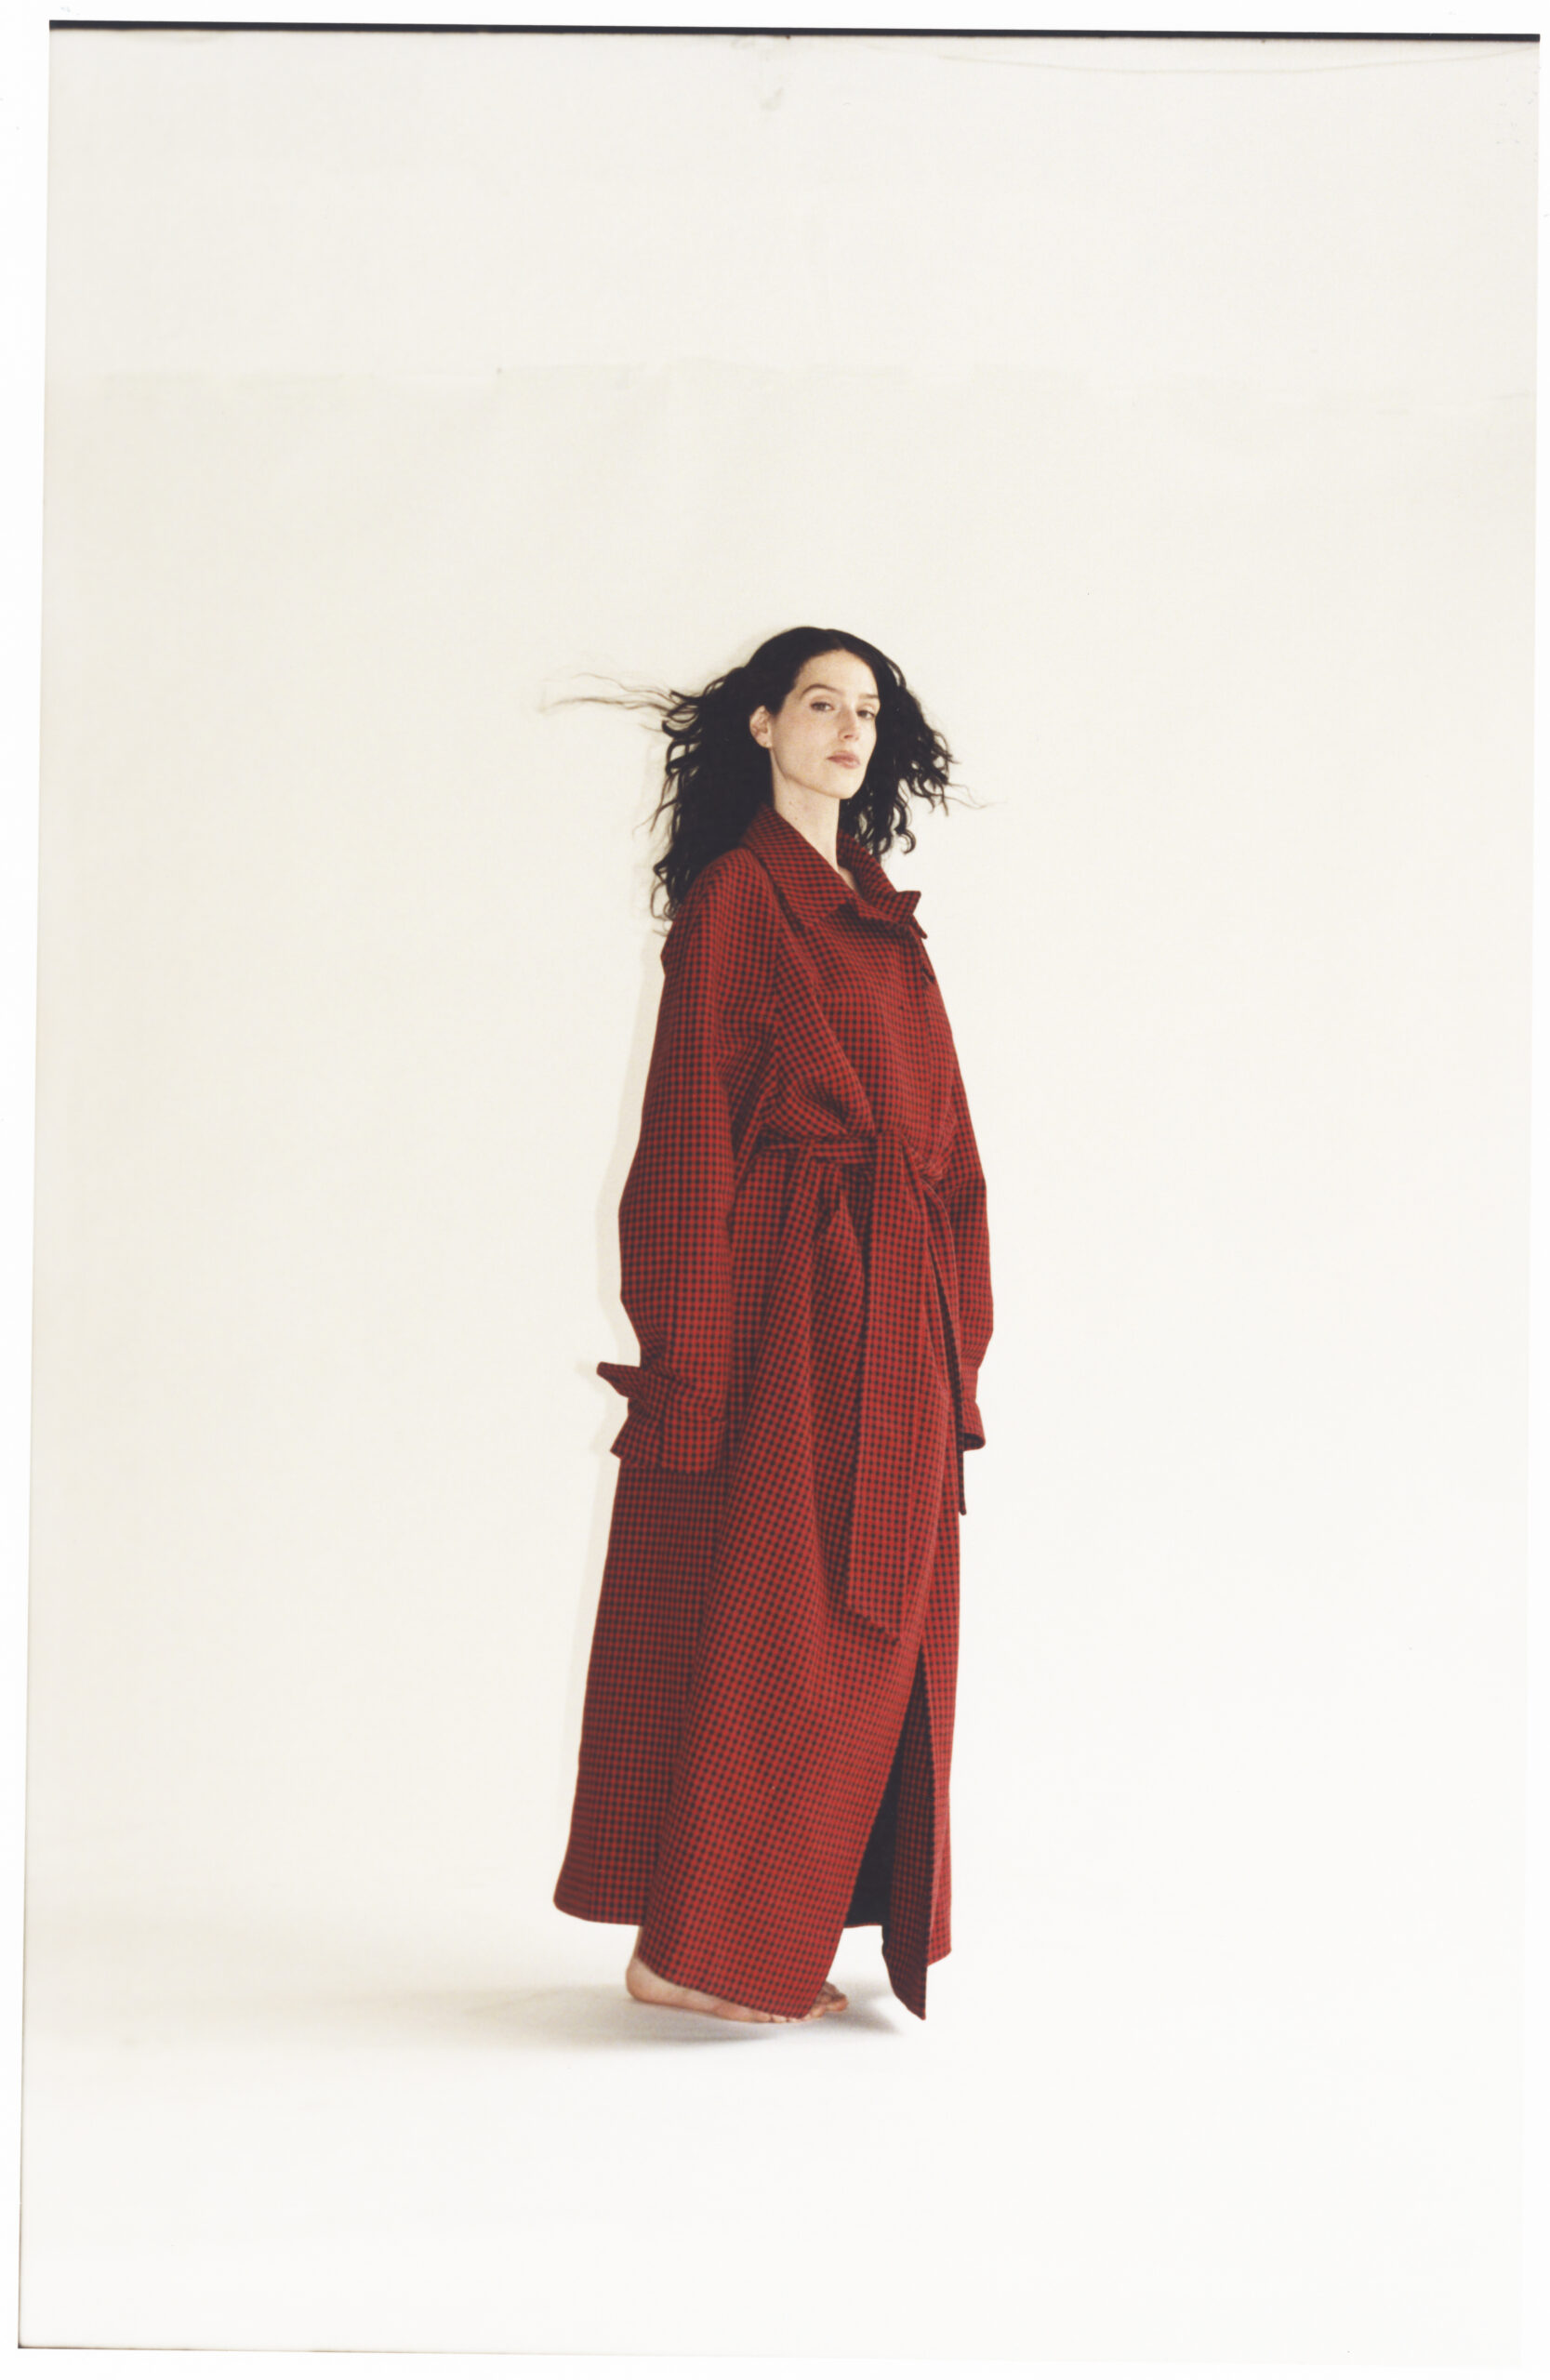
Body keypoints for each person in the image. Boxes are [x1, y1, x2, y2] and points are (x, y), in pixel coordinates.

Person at [553, 627, 993, 2026]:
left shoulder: (881, 916)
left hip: (896, 1322)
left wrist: (959, 1335)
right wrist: (688, 1356)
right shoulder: (740, 901)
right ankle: (691, 1954)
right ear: (762, 726)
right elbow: (687, 1132)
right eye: (820, 703)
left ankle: (771, 1928)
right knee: (778, 1626)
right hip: (791, 1316)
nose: (849, 729)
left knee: (883, 1630)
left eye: (867, 710)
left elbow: (950, 1148)